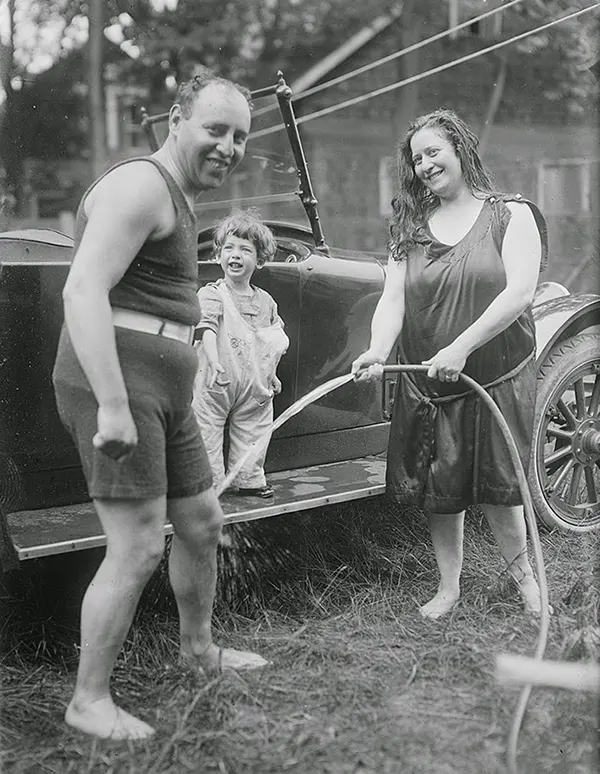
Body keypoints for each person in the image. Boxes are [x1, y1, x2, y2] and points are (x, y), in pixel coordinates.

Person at [52, 70, 269, 742]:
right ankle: (88, 701)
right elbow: (83, 291)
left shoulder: (177, 191)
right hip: (122, 388)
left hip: (165, 388)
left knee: (201, 521)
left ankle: (198, 649)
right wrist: (114, 406)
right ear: (176, 120)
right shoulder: (142, 185)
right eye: (215, 129)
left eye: (239, 136)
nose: (228, 146)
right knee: (138, 544)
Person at [352, 109, 548, 620]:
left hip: (495, 373)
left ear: (460, 147)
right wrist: (376, 349)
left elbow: (520, 292)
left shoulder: (511, 213)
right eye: (416, 159)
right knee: (440, 489)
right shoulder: (410, 227)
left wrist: (461, 346)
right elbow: (392, 298)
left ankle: (524, 579)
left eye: (434, 151)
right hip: (428, 381)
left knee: (500, 487)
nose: (425, 165)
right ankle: (448, 588)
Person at [192, 209, 289, 498]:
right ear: (218, 255)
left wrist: (271, 375)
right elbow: (206, 329)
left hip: (254, 385)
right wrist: (213, 361)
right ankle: (207, 486)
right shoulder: (212, 294)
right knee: (206, 429)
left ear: (259, 260)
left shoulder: (267, 302)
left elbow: (272, 344)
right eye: (229, 248)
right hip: (216, 380)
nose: (236, 255)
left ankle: (247, 479)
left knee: (255, 430)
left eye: (245, 250)